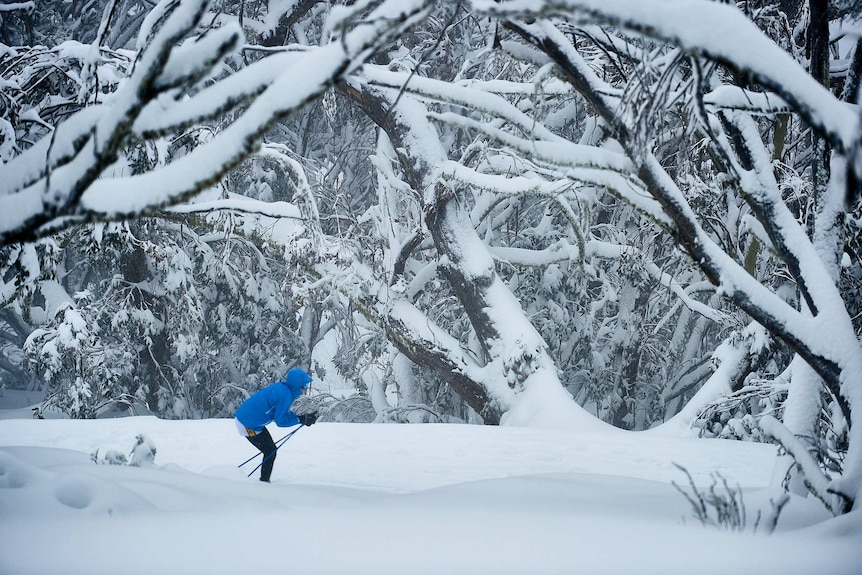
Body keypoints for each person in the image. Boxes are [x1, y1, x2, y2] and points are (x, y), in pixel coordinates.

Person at [235, 367, 318, 482]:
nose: (304, 389)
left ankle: (263, 480)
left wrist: (302, 418)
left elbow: (280, 412)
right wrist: (300, 419)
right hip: (247, 424)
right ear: (297, 385)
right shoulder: (285, 395)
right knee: (270, 451)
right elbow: (280, 421)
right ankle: (263, 482)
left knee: (270, 450)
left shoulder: (283, 390)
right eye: (303, 386)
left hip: (250, 421)